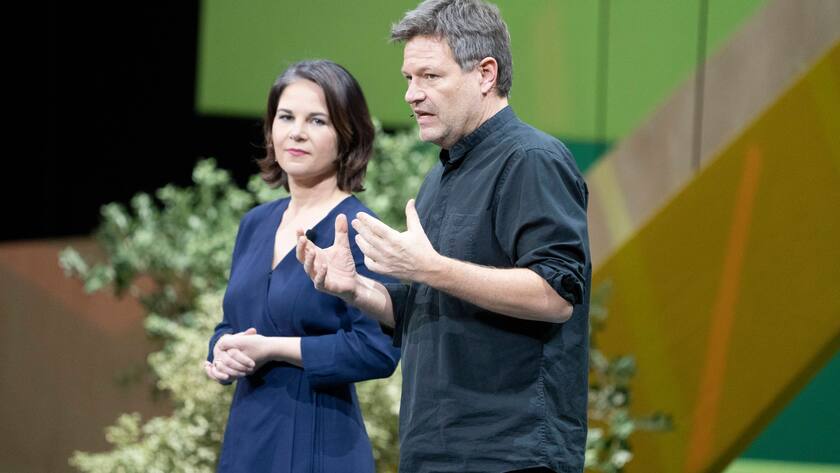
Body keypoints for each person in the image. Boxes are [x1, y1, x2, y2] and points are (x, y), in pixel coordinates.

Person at [297, 1, 591, 472]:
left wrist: (429, 267)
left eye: (430, 77)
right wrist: (357, 290)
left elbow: (556, 296)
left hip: (509, 454)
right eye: (408, 79)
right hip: (433, 452)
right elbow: (428, 302)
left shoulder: (532, 159)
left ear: (486, 74)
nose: (412, 94)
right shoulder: (440, 177)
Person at [204, 59, 400, 473]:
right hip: (248, 437)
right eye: (286, 117)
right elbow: (232, 323)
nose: (296, 132)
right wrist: (222, 351)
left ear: (347, 136)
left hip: (319, 440)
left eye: (317, 121)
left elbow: (377, 351)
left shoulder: (360, 230)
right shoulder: (255, 224)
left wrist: (274, 349)